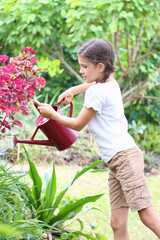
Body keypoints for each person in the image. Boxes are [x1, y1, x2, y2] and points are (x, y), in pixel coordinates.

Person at [38, 38, 160, 240]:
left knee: (146, 216)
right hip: (118, 159)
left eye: (85, 66)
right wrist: (72, 90)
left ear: (100, 66)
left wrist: (52, 115)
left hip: (124, 159)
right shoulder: (110, 83)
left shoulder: (96, 92)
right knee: (116, 223)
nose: (82, 71)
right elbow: (91, 86)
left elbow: (78, 124)